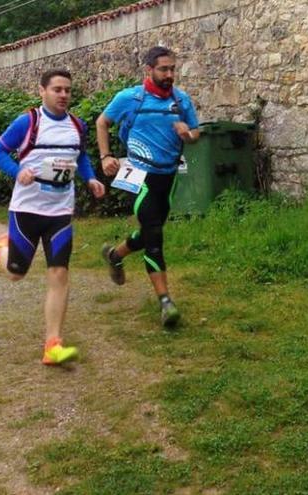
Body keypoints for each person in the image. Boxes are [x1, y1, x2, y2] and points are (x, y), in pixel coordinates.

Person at [0, 68, 105, 365]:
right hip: (27, 209)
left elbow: (81, 157)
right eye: (57, 89)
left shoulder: (77, 125)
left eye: (67, 90)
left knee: (59, 272)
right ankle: (0, 251)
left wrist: (90, 179)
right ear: (42, 91)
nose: (63, 95)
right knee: (16, 273)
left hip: (60, 211)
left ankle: (53, 344)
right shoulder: (28, 122)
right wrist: (17, 171)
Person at [95, 46, 200, 327]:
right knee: (154, 235)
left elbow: (196, 132)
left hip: (168, 176)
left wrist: (187, 134)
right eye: (163, 69)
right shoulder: (130, 98)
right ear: (149, 70)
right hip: (140, 176)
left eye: (172, 69)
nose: (169, 74)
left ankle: (115, 255)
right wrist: (105, 156)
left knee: (150, 230)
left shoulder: (181, 100)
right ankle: (165, 301)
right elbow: (102, 122)